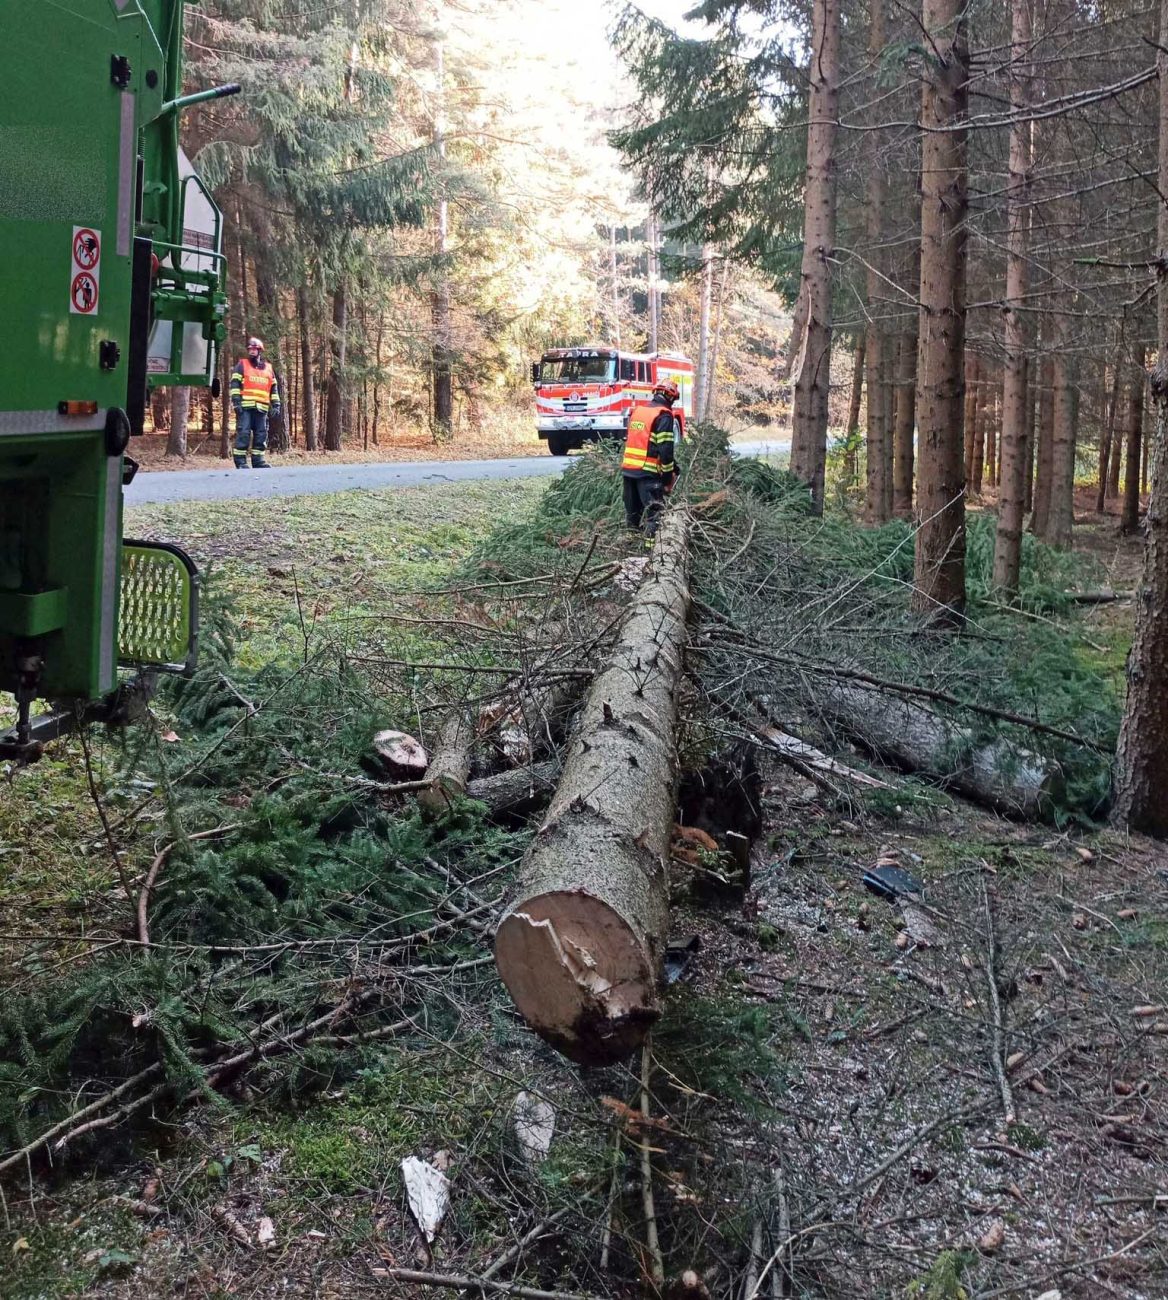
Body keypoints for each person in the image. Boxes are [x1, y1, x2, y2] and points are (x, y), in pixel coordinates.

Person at [621, 379, 679, 546]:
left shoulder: (639, 411)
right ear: (670, 397)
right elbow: (665, 450)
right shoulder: (663, 414)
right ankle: (652, 554)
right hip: (648, 473)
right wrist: (668, 478)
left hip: (629, 470)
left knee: (633, 515)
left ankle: (629, 551)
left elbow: (645, 442)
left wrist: (675, 466)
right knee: (654, 514)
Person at [230, 337, 281, 468]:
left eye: (254, 349)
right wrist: (236, 402)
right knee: (244, 434)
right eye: (250, 349)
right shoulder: (242, 365)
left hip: (262, 409)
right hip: (245, 408)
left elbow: (273, 388)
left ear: (260, 351)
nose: (251, 352)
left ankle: (258, 461)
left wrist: (276, 405)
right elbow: (234, 384)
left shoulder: (269, 369)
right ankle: (241, 462)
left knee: (261, 435)